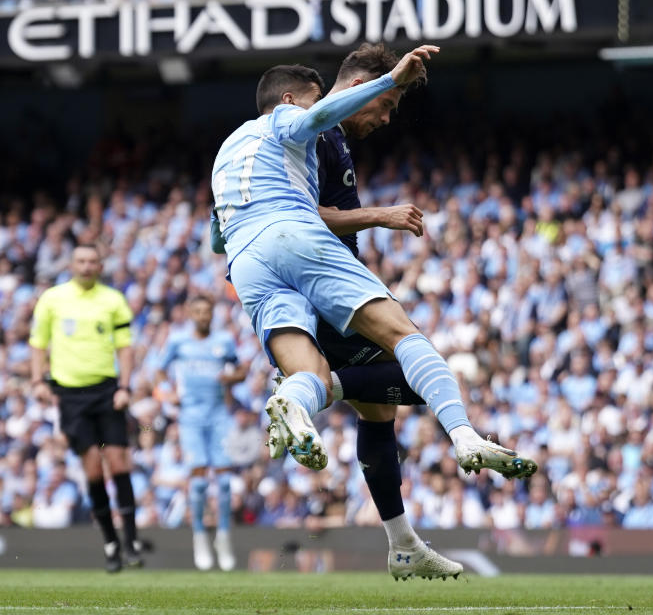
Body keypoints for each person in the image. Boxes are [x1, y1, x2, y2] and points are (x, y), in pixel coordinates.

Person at [209, 40, 536, 532]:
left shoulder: (227, 151)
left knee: (325, 383)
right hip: (295, 238)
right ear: (293, 100)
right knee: (406, 341)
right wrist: (392, 80)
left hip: (247, 262)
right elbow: (304, 124)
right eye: (385, 106)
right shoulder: (289, 121)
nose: (386, 118)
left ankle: (296, 405)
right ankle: (465, 436)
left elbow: (217, 236)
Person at [29, 244, 144, 573]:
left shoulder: (113, 300)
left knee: (119, 462)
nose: (86, 266)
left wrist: (124, 387)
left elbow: (125, 348)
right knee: (93, 468)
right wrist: (38, 381)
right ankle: (111, 543)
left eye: (92, 261)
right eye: (80, 260)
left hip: (107, 390)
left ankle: (132, 539)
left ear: (100, 265)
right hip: (70, 395)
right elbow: (38, 343)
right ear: (71, 263)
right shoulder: (52, 299)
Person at [157, 294, 248, 571]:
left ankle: (223, 537)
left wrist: (232, 376)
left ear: (212, 314)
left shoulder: (223, 341)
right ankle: (199, 536)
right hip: (191, 420)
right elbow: (159, 373)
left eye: (206, 311)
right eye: (197, 311)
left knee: (223, 483)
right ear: (189, 313)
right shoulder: (177, 341)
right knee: (197, 483)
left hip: (219, 418)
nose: (202, 316)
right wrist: (168, 393)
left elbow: (241, 369)